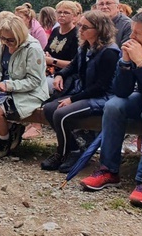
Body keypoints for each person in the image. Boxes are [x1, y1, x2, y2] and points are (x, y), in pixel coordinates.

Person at [80, 8, 142, 206]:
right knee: (114, 105)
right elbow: (121, 92)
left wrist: (141, 63)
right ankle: (108, 170)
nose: (131, 37)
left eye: (137, 33)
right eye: (131, 32)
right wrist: (125, 62)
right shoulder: (135, 49)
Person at [41, 10, 118, 172]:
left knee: (60, 114)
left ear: (99, 29)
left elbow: (101, 86)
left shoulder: (109, 52)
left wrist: (73, 99)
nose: (80, 30)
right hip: (85, 92)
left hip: (102, 97)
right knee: (48, 108)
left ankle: (63, 153)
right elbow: (73, 66)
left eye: (84, 27)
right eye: (80, 26)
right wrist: (60, 75)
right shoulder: (85, 46)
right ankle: (73, 149)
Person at [0, 14, 49, 158]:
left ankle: (3, 138)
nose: (6, 42)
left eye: (10, 39)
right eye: (3, 38)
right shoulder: (1, 45)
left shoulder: (33, 48)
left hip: (29, 91)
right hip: (3, 88)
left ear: (20, 35)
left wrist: (8, 85)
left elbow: (35, 81)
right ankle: (11, 128)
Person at [44, 1, 80, 95]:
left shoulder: (77, 35)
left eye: (66, 12)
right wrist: (46, 55)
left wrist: (52, 61)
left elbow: (74, 64)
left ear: (74, 16)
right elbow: (47, 49)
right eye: (59, 12)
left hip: (65, 76)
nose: (62, 15)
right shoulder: (55, 30)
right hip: (48, 71)